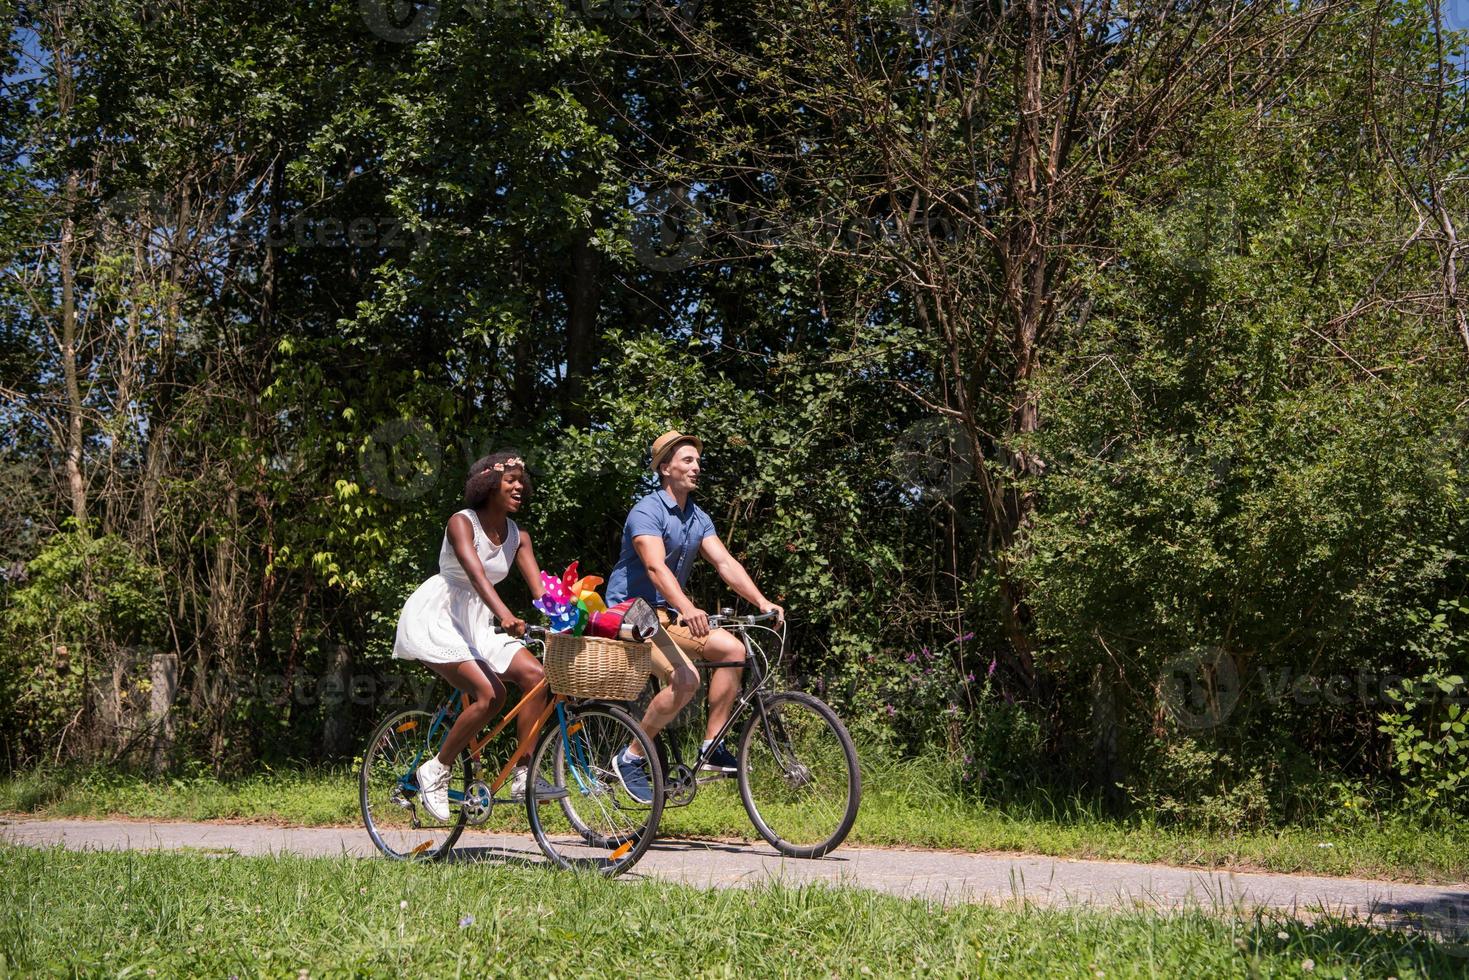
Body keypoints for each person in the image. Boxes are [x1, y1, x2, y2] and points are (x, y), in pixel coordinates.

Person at [604, 431, 784, 803]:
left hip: (667, 614)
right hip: (631, 610)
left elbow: (724, 563)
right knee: (685, 679)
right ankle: (630, 756)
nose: (696, 467)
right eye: (687, 460)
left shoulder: (697, 517)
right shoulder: (647, 511)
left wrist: (761, 601)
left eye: (698, 461)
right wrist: (687, 607)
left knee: (732, 651)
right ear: (665, 468)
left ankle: (711, 747)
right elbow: (655, 568)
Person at [392, 450, 559, 821]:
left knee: (536, 676)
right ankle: (435, 770)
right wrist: (506, 615)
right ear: (488, 483)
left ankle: (523, 772)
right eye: (511, 480)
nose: (520, 486)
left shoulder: (519, 536)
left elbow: (541, 593)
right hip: (440, 616)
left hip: (479, 623)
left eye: (522, 480)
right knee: (491, 694)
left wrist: (573, 617)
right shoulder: (461, 523)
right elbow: (476, 574)